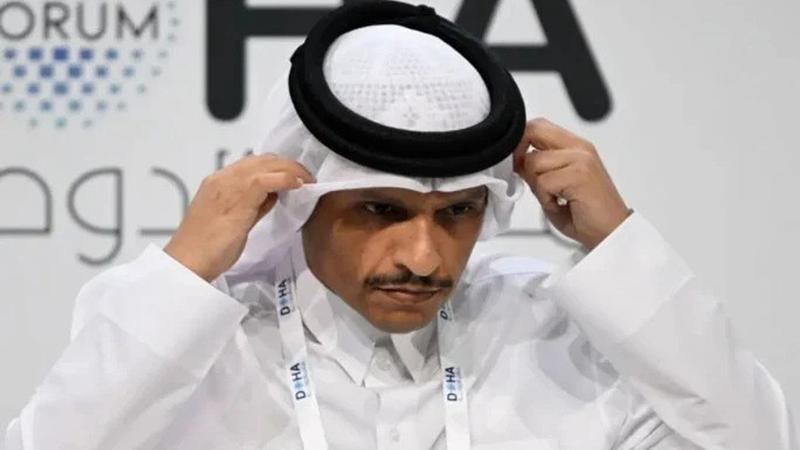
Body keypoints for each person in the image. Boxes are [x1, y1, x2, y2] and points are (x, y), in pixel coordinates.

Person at [5, 2, 796, 449]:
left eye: (457, 213)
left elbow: (757, 440)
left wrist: (617, 241)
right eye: (380, 210)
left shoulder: (554, 338)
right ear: (298, 197)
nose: (423, 257)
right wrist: (185, 271)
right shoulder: (180, 335)